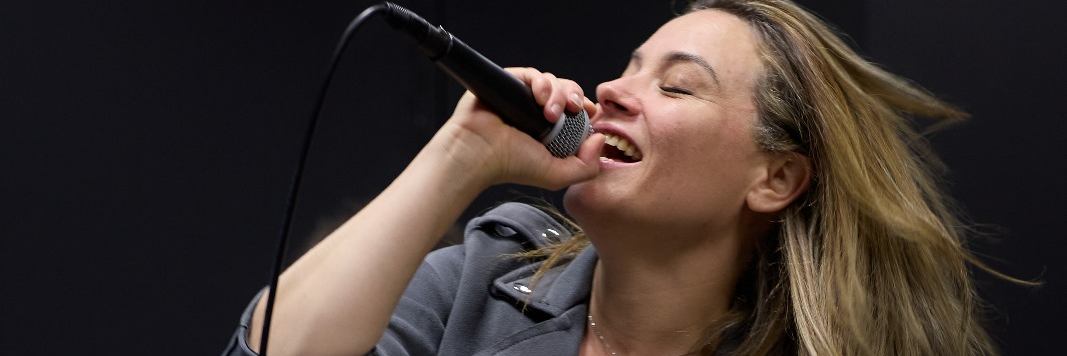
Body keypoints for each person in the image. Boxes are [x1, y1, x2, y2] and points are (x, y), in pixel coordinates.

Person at [223, 0, 1011, 355]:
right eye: (626, 69)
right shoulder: (483, 282)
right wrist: (461, 156)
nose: (607, 93)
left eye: (675, 85)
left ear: (774, 178)